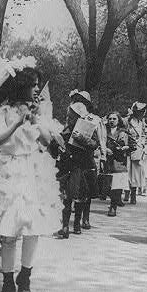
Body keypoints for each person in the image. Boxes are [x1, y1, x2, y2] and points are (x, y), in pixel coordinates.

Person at [0, 67, 60, 292]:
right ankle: (7, 281)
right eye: (34, 85)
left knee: (31, 227)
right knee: (8, 230)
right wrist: (16, 124)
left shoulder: (38, 112)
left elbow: (46, 141)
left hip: (32, 171)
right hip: (8, 172)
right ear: (21, 85)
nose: (37, 90)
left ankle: (25, 278)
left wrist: (34, 119)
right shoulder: (2, 111)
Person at [53, 102, 100, 238]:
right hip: (68, 165)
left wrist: (82, 138)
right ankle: (65, 226)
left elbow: (94, 144)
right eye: (68, 117)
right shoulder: (65, 128)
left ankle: (77, 223)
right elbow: (58, 144)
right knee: (66, 197)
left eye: (72, 117)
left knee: (80, 196)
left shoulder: (90, 128)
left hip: (83, 166)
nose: (69, 119)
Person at [69, 89, 105, 229]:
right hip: (73, 158)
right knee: (72, 189)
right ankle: (69, 220)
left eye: (83, 101)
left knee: (87, 190)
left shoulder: (94, 120)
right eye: (77, 100)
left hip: (88, 158)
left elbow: (98, 142)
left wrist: (82, 139)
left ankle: (86, 217)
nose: (80, 103)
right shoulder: (71, 116)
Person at [104, 111, 132, 217]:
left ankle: (113, 207)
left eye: (114, 119)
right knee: (106, 185)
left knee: (116, 185)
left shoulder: (123, 132)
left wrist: (126, 147)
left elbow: (132, 145)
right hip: (107, 159)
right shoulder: (104, 130)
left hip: (119, 160)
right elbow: (98, 142)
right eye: (110, 118)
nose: (111, 121)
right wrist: (105, 149)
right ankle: (113, 201)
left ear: (118, 120)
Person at [124, 102, 147, 204]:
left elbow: (145, 135)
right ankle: (126, 193)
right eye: (139, 112)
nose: (141, 113)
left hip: (138, 150)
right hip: (127, 149)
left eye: (142, 112)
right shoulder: (127, 121)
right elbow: (123, 132)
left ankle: (133, 194)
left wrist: (142, 143)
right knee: (126, 172)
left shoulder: (142, 123)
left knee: (136, 173)